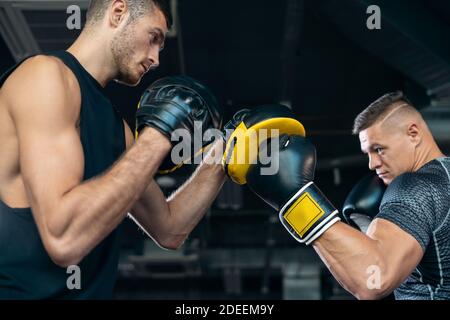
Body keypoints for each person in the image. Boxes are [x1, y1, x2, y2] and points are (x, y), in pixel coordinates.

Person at [0, 0, 227, 299]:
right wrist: (159, 135)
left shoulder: (116, 128)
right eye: (154, 37)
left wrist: (224, 156)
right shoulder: (44, 76)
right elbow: (64, 238)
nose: (156, 58)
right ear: (118, 12)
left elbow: (169, 229)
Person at [235, 91, 450, 299]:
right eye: (368, 153)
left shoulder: (417, 186)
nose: (372, 163)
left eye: (379, 149)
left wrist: (296, 199)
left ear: (413, 134)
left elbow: (374, 280)